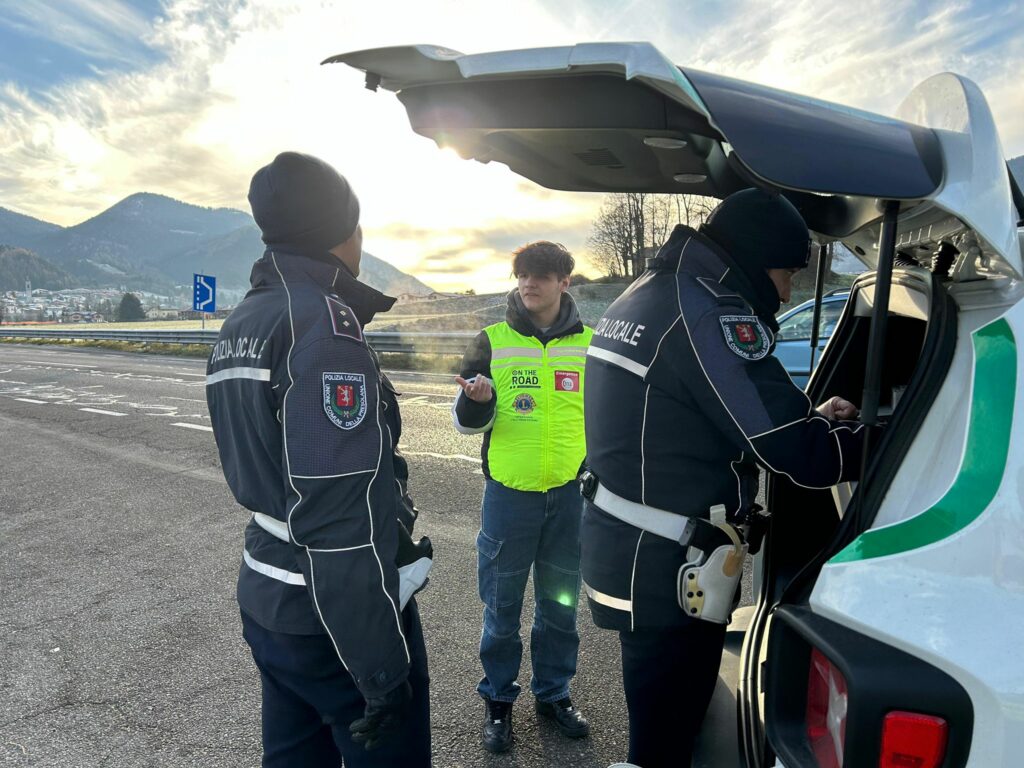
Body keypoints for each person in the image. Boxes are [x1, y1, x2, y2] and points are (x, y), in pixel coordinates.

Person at [580, 189, 864, 768]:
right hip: (665, 566)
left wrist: (809, 416)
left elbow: (699, 412)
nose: (786, 292)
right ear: (759, 257)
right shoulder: (708, 309)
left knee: (663, 728)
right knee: (667, 742)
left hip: (633, 548)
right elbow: (794, 453)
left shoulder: (653, 291)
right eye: (786, 274)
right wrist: (893, 442)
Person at [206, 151, 433, 767]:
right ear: (343, 231)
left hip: (268, 595)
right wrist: (383, 671)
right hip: (332, 618)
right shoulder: (324, 330)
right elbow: (340, 523)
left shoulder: (243, 319)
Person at [452, 241, 594, 754]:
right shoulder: (491, 340)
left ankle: (553, 694)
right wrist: (478, 403)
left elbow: (603, 418)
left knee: (560, 606)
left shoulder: (591, 345)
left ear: (564, 282)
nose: (528, 284)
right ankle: (498, 702)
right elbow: (465, 423)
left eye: (540, 275)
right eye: (521, 275)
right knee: (502, 606)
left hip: (568, 498)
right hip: (510, 500)